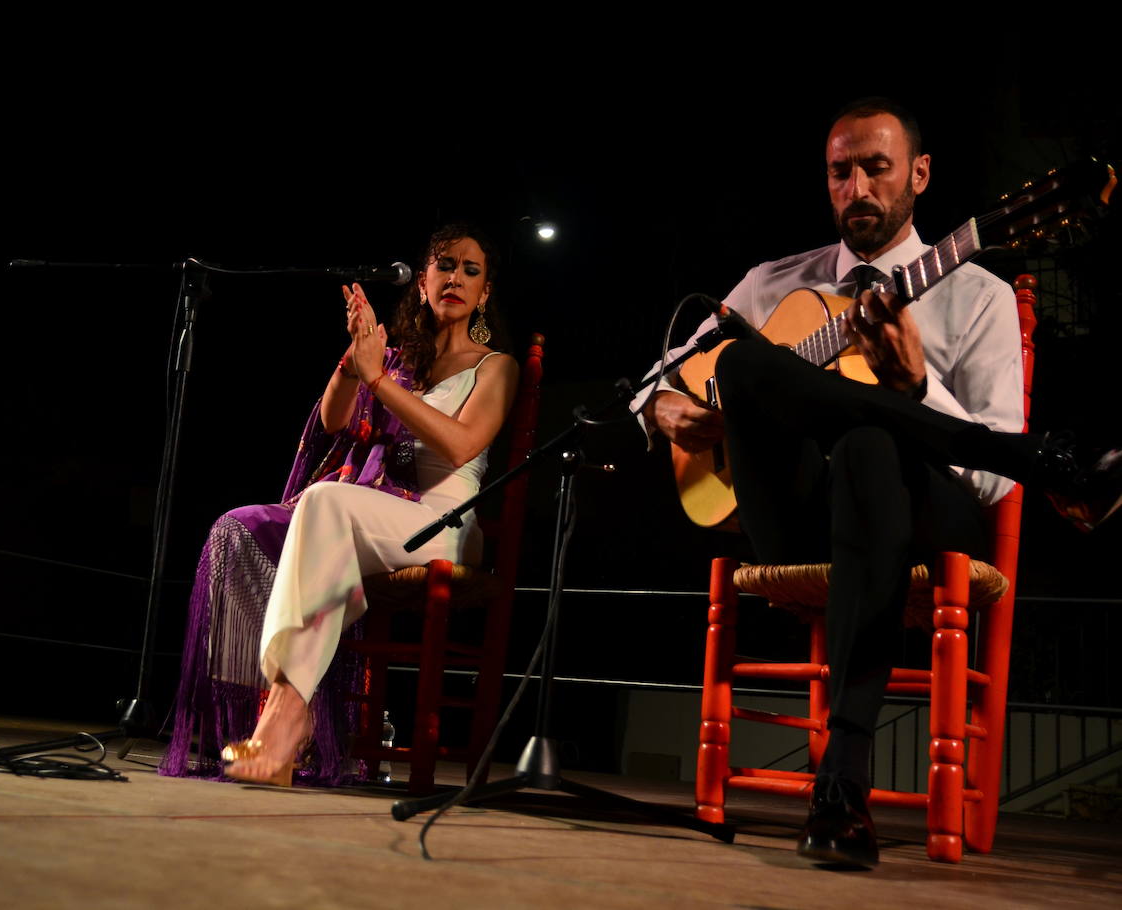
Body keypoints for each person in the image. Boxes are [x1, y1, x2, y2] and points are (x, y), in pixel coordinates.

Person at [634, 98, 1120, 867]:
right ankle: (1047, 461)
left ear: (920, 175)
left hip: (929, 513)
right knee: (736, 359)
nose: (857, 187)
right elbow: (652, 382)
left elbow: (986, 494)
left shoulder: (978, 294)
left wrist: (917, 384)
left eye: (876, 168)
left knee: (868, 443)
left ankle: (843, 780)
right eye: (840, 171)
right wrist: (660, 407)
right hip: (792, 513)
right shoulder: (771, 281)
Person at [160, 224, 519, 789]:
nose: (456, 277)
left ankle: (282, 726)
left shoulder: (495, 366)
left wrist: (379, 378)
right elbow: (333, 422)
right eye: (444, 265)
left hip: (444, 522)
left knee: (326, 504)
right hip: (378, 516)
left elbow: (459, 444)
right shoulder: (397, 359)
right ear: (422, 281)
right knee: (315, 545)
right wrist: (357, 360)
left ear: (485, 292)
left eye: (470, 270)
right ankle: (280, 723)